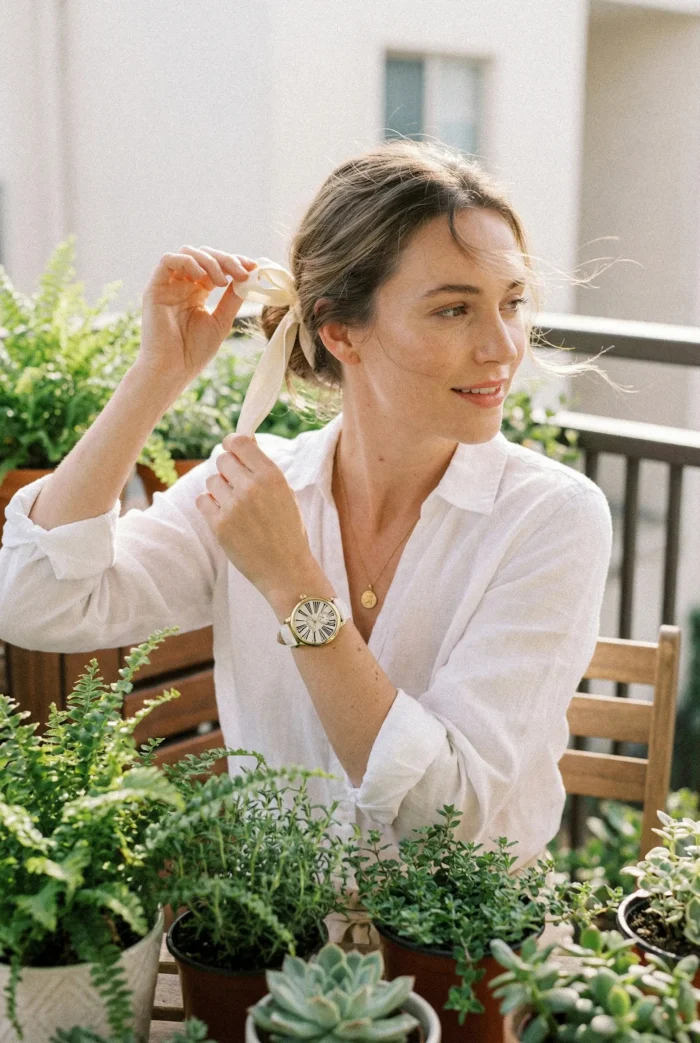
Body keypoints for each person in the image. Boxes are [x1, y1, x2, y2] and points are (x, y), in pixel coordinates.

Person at [0, 140, 619, 883]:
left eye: (512, 301)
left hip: (464, 965)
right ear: (339, 330)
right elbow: (34, 602)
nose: (503, 346)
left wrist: (295, 584)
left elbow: (442, 811)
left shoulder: (552, 518)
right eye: (454, 308)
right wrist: (154, 375)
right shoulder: (257, 495)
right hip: (268, 955)